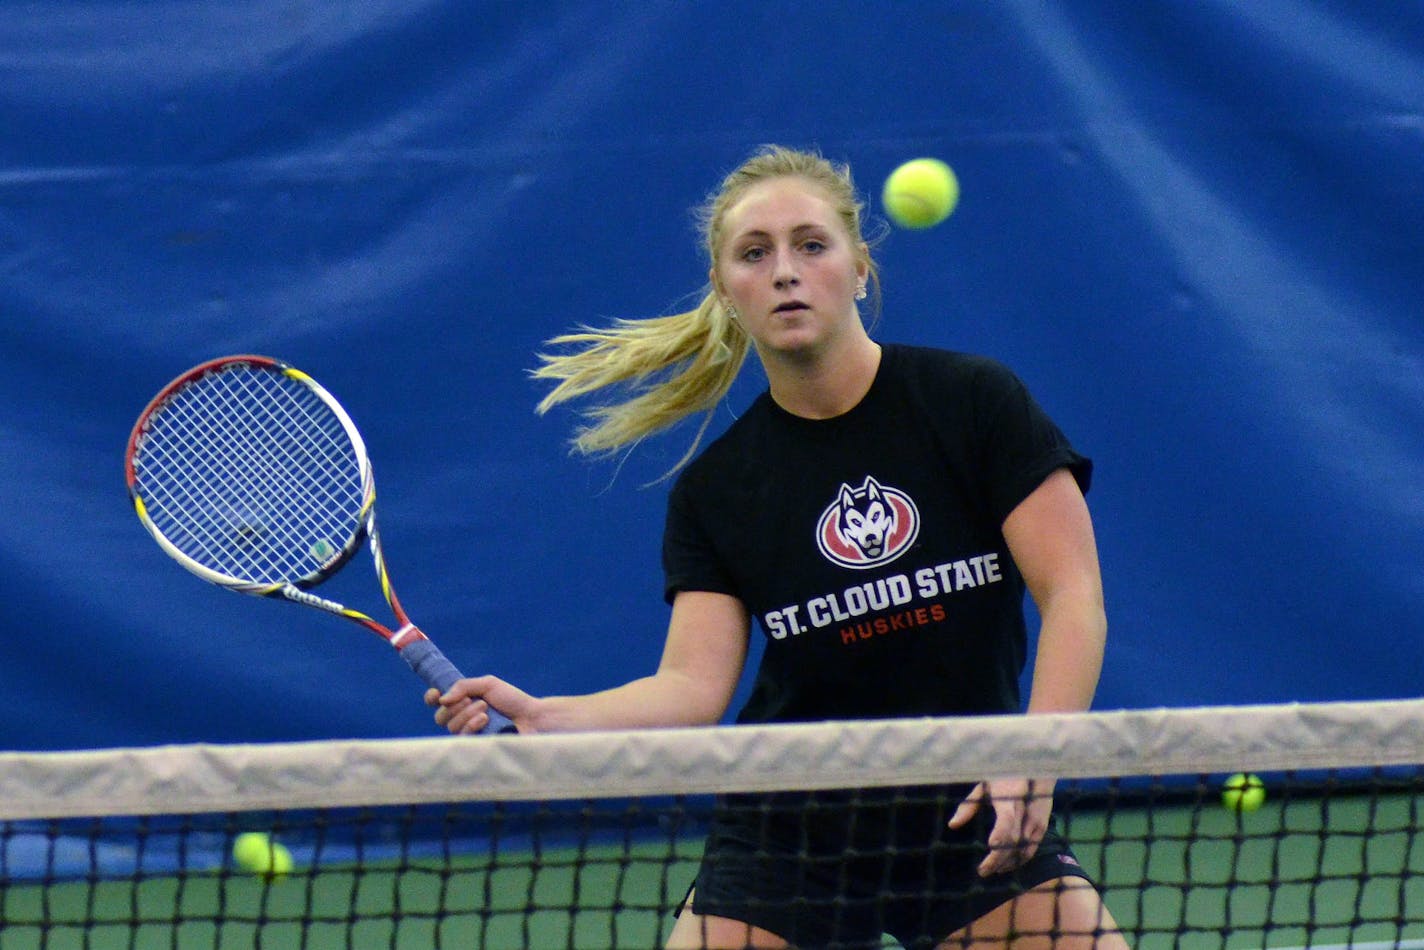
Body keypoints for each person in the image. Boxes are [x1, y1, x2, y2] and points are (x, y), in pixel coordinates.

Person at [429, 145, 1128, 950]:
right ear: (728, 291)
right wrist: (554, 717)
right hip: (792, 834)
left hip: (973, 808)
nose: (785, 272)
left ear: (860, 269)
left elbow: (1073, 595)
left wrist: (1033, 755)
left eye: (811, 244)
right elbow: (692, 685)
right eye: (755, 254)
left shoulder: (974, 403)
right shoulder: (717, 489)